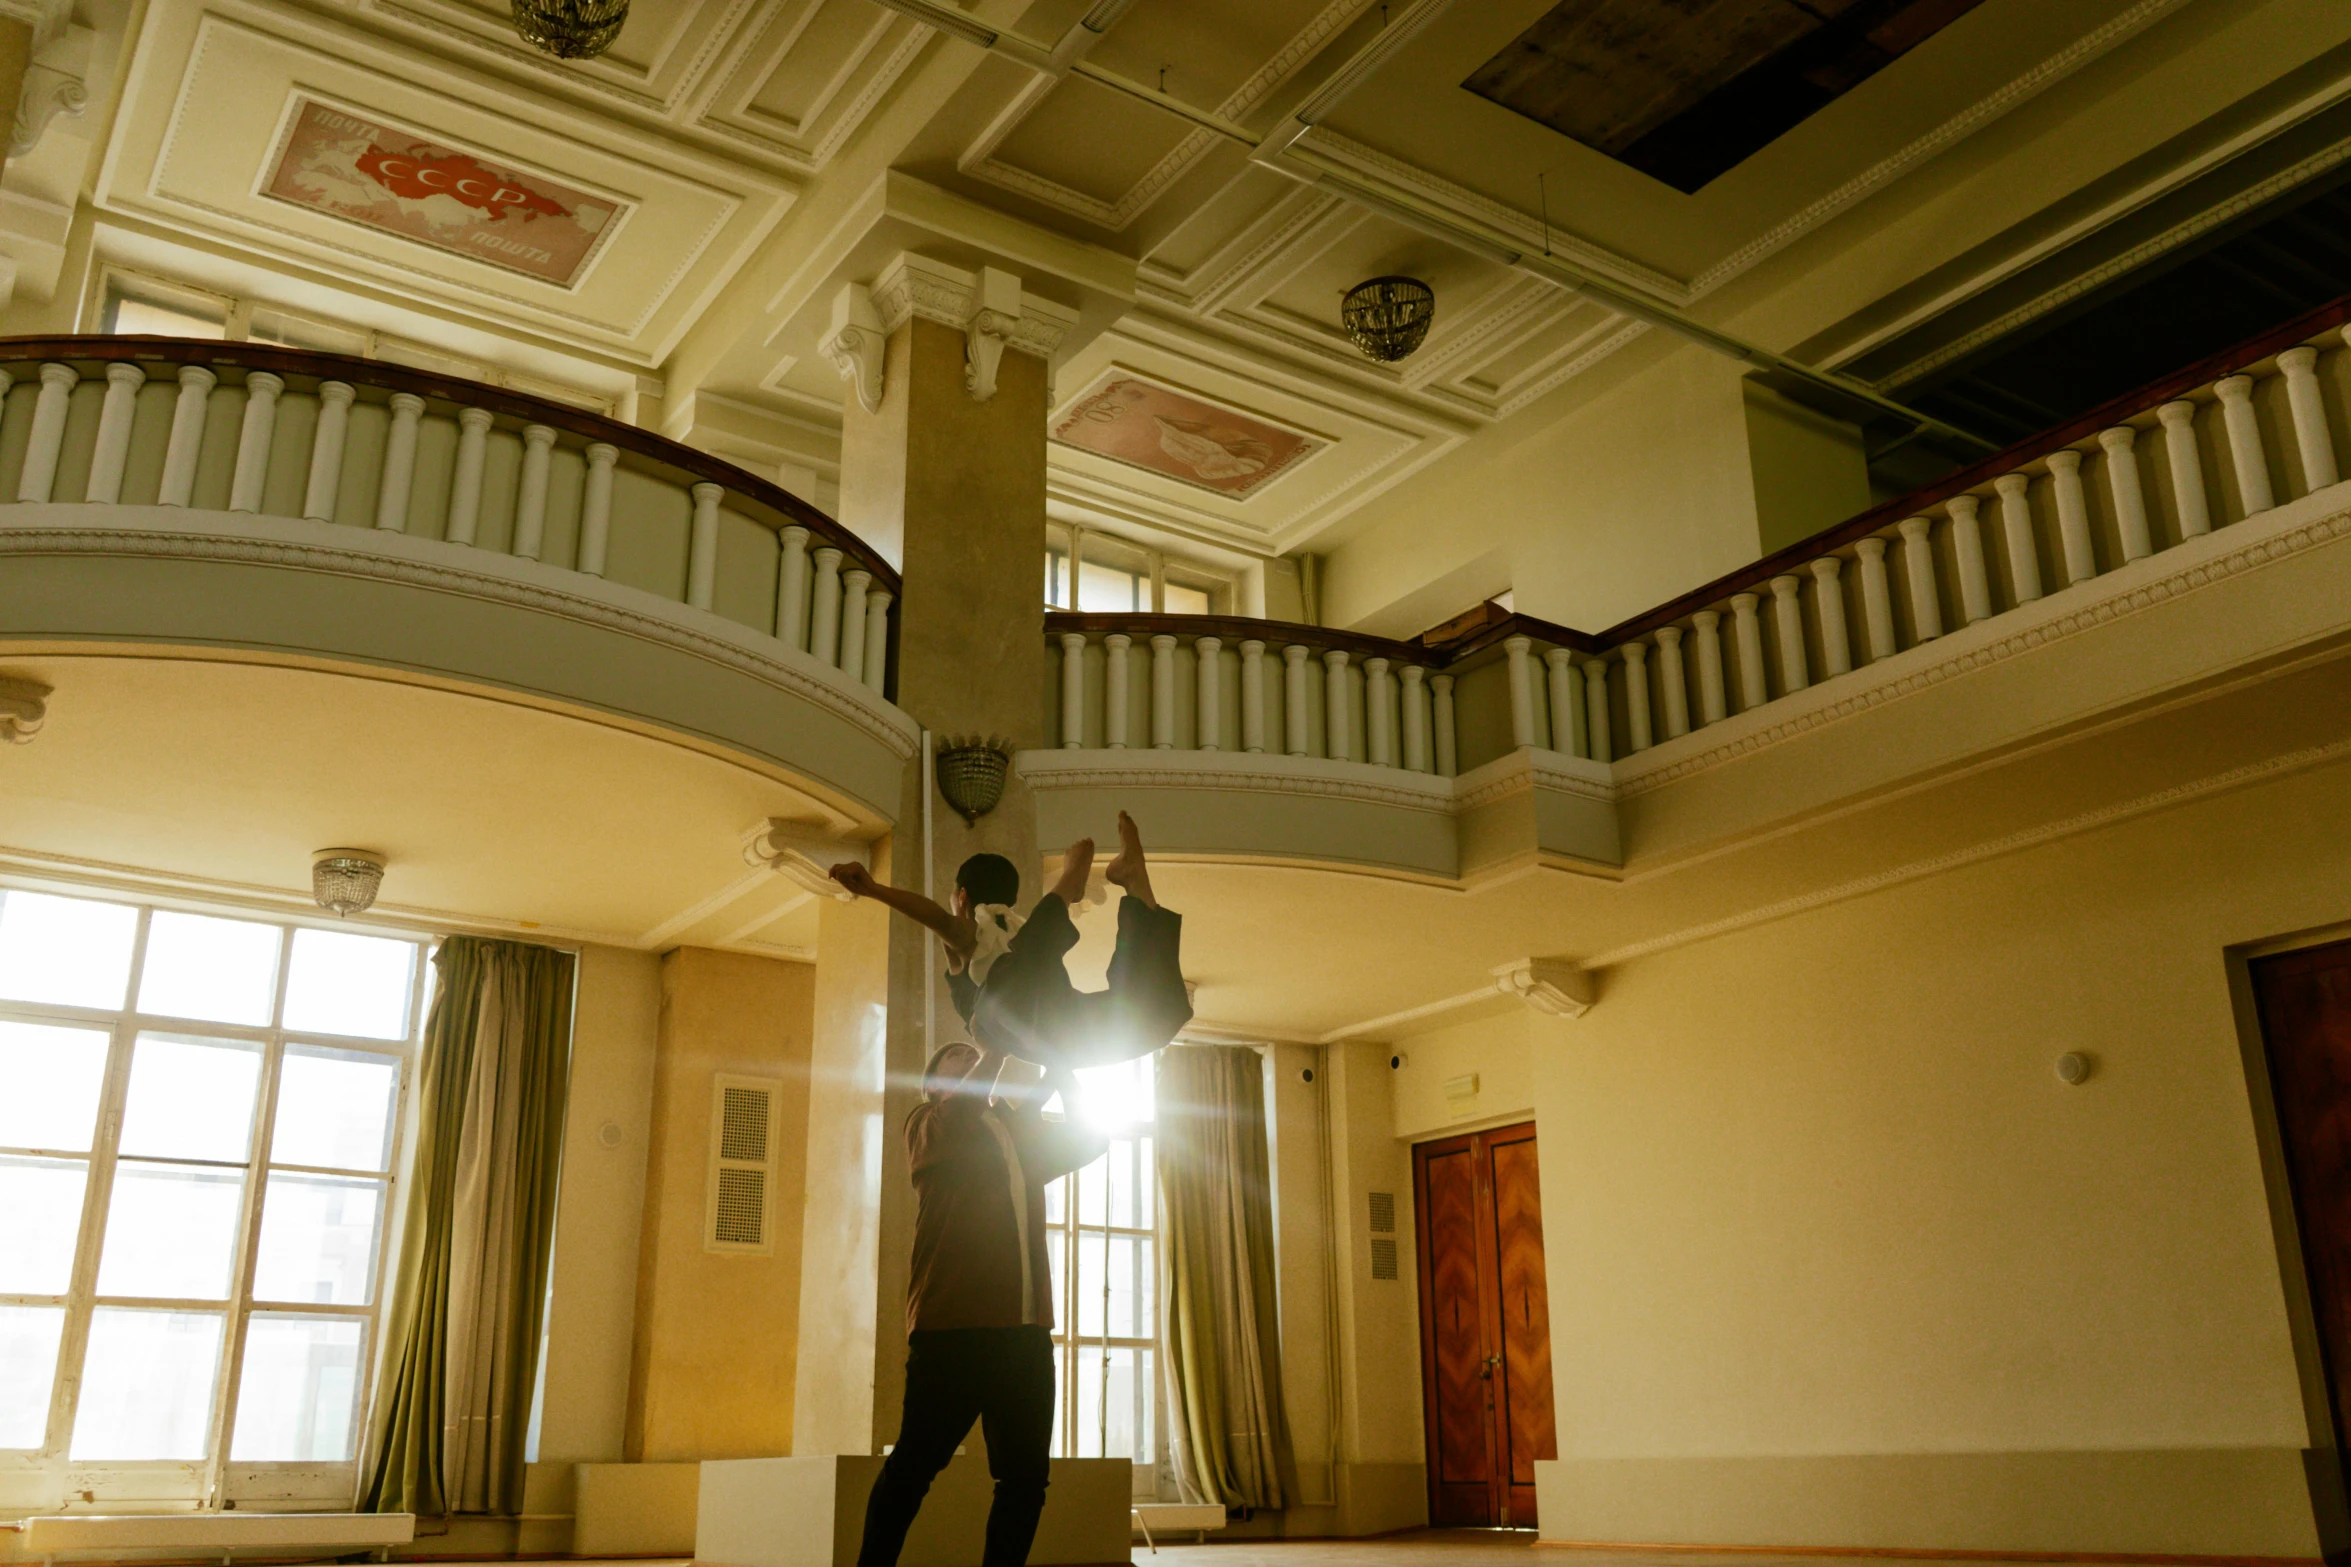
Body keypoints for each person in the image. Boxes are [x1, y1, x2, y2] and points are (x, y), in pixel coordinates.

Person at [851, 1036, 1103, 1567]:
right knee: (916, 1464)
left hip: (1026, 1333)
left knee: (1026, 1477)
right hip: (953, 1329)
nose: (973, 1059)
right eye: (959, 1058)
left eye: (975, 1055)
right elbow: (966, 1105)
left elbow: (1090, 1138)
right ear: (936, 1084)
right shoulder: (927, 1124)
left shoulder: (1015, 1134)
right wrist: (999, 1048)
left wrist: (1063, 1071)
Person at [829, 810, 1191, 1069]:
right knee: (1024, 959)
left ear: (962, 896)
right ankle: (1069, 884)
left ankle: (1134, 881)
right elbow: (932, 914)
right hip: (1022, 1024)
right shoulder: (973, 934)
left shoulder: (997, 932)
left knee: (1160, 1011)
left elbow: (935, 916)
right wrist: (875, 890)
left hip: (1065, 1025)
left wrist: (877, 890)